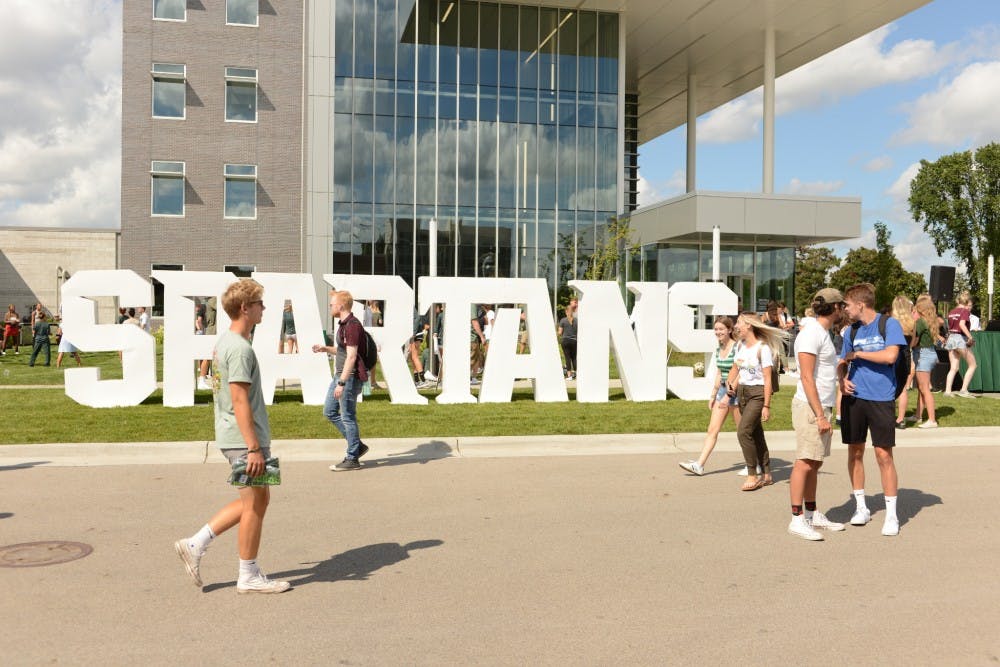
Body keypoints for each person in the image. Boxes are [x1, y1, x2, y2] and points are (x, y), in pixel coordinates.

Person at [174, 279, 290, 594]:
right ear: (245, 308)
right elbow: (239, 400)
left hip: (236, 435)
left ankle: (195, 544)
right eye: (259, 304)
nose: (263, 309)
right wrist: (253, 447)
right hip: (243, 439)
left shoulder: (226, 342)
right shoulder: (239, 349)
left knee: (258, 499)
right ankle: (247, 575)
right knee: (254, 504)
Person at [838, 282, 904, 537]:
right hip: (854, 399)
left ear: (860, 304)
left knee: (883, 455)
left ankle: (891, 515)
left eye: (847, 304)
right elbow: (843, 361)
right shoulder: (850, 332)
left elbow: (890, 357)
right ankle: (861, 507)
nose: (845, 309)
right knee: (855, 452)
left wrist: (859, 355)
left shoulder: (888, 324)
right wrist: (841, 378)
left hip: (881, 398)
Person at [787, 289, 847, 540]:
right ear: (834, 308)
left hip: (821, 405)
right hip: (811, 408)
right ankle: (797, 518)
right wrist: (820, 415)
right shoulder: (811, 333)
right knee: (804, 461)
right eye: (841, 306)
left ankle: (811, 513)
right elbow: (806, 376)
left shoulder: (821, 332)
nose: (844, 310)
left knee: (815, 461)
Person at [724, 312, 786, 491]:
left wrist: (767, 405)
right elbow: (736, 368)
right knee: (756, 432)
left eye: (739, 324)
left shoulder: (762, 348)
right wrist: (730, 385)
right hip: (742, 392)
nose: (736, 327)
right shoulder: (740, 346)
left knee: (743, 432)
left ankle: (753, 474)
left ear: (749, 326)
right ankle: (767, 473)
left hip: (758, 394)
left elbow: (767, 379)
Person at [315, 290, 370, 471]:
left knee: (347, 417)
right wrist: (326, 349)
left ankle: (352, 457)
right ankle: (357, 445)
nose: (330, 306)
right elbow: (343, 351)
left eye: (332, 304)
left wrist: (342, 382)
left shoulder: (352, 326)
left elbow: (352, 357)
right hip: (339, 376)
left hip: (349, 378)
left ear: (341, 306)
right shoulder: (343, 325)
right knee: (329, 411)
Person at [679, 316, 741, 476]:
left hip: (736, 392)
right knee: (712, 430)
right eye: (716, 329)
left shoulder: (738, 347)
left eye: (721, 329)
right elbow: (720, 372)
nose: (718, 332)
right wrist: (713, 395)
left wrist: (730, 394)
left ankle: (755, 465)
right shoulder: (719, 348)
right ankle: (699, 465)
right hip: (722, 391)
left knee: (743, 431)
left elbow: (740, 371)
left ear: (729, 330)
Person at [911, 295, 940, 428]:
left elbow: (914, 341)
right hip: (928, 353)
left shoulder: (920, 322)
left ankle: (932, 420)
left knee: (924, 388)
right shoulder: (930, 321)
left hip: (923, 354)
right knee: (922, 388)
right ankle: (918, 415)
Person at [944, 291, 978, 398]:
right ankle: (963, 390)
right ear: (966, 301)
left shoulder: (952, 311)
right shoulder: (965, 311)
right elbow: (962, 325)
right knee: (973, 365)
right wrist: (970, 337)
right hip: (960, 339)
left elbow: (950, 326)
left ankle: (947, 391)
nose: (970, 307)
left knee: (954, 367)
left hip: (951, 338)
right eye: (969, 304)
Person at [891, 295, 916, 429]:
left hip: (893, 356)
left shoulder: (891, 322)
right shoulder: (912, 322)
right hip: (906, 355)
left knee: (889, 386)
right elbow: (912, 342)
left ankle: (888, 416)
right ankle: (900, 419)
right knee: (903, 389)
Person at [557, 299, 578, 380]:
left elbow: (559, 332)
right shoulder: (576, 320)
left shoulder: (563, 320)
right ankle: (577, 373)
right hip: (574, 341)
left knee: (567, 357)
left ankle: (569, 375)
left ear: (566, 311)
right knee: (574, 357)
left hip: (565, 341)